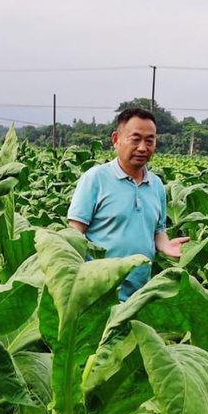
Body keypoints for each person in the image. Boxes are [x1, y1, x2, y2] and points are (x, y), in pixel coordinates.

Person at [67, 106, 189, 300]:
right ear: (116, 139)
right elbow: (74, 233)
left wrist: (166, 245)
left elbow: (158, 231)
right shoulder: (95, 179)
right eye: (135, 139)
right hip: (99, 296)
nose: (142, 148)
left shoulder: (157, 185)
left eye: (149, 141)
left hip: (140, 295)